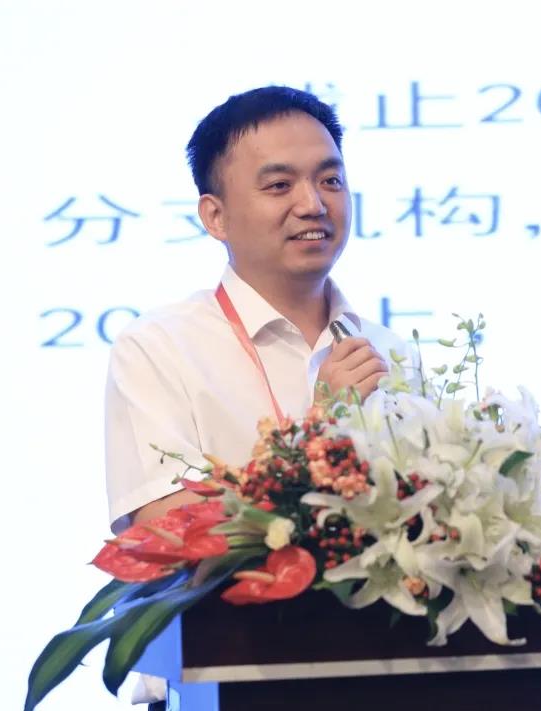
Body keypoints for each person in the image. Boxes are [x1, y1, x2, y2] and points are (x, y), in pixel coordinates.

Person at [104, 85, 405, 539]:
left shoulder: (390, 351)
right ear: (216, 216)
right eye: (280, 186)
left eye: (331, 181)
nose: (313, 205)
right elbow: (163, 530)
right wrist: (319, 430)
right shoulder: (160, 348)